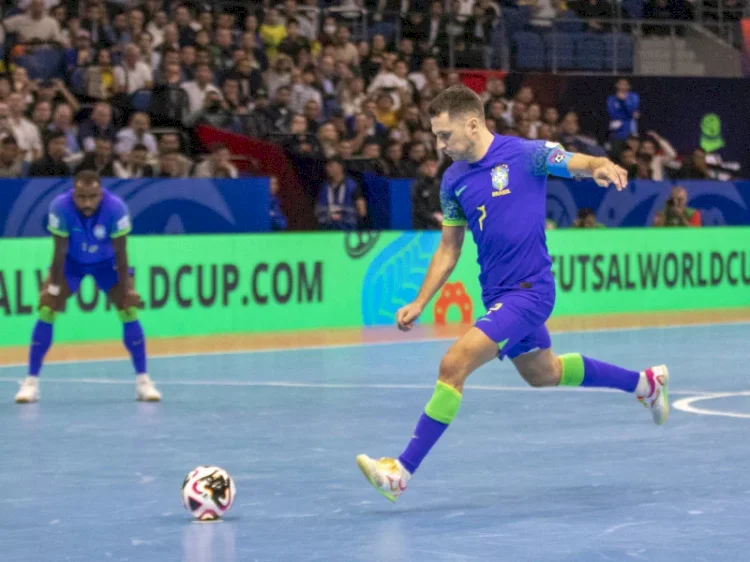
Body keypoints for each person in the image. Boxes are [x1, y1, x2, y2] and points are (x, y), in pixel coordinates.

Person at [356, 85, 669, 502]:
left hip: (530, 292)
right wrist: (420, 300)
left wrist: (598, 165)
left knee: (453, 364)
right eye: (436, 135)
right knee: (545, 373)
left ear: (472, 123)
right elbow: (450, 248)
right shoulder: (453, 180)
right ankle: (644, 385)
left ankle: (401, 471)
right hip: (498, 295)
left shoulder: (526, 154)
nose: (439, 144)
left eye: (445, 135)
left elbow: (572, 161)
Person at [14, 171, 162, 404]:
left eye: (92, 197)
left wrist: (128, 289)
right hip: (72, 263)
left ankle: (143, 381)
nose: (86, 203)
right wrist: (51, 289)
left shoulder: (116, 208)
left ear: (100, 193)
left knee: (128, 309)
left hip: (108, 263)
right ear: (73, 193)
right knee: (47, 309)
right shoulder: (60, 207)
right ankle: (30, 382)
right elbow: (59, 251)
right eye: (81, 197)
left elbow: (122, 253)